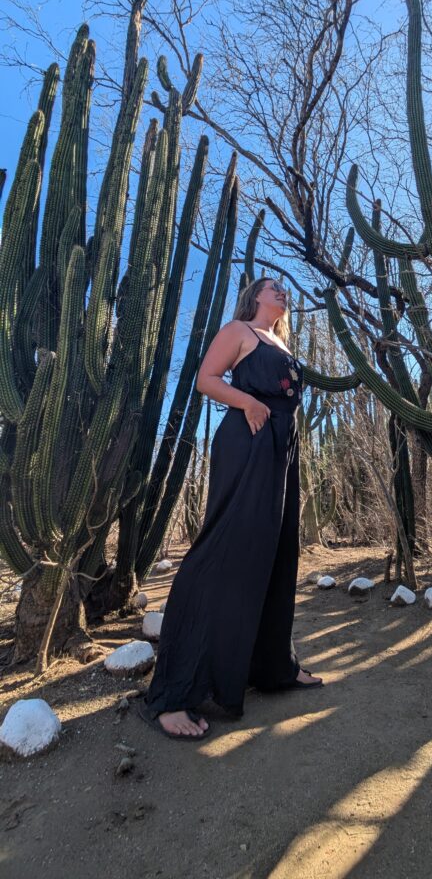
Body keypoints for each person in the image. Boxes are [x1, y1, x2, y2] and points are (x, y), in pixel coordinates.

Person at [139, 278, 323, 740]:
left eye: (284, 290)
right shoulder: (239, 331)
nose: (282, 292)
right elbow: (206, 379)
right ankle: (173, 692)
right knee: (225, 548)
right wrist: (248, 402)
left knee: (277, 553)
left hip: (283, 448)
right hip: (249, 439)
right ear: (255, 296)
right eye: (274, 287)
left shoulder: (281, 343)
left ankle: (275, 667)